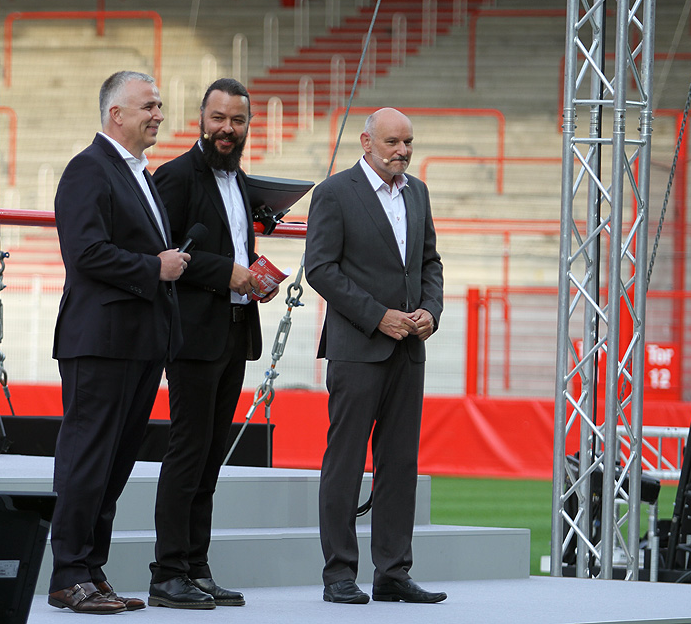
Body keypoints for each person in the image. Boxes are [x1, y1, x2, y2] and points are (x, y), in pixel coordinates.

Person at [48, 70, 190, 615]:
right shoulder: (89, 168)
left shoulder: (138, 174)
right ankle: (68, 574)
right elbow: (85, 252)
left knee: (115, 463)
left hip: (139, 341)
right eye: (149, 106)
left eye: (159, 105)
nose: (159, 114)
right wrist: (155, 267)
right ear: (116, 114)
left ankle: (90, 569)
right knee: (88, 458)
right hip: (100, 341)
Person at [305, 108, 445, 606]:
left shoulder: (418, 192)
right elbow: (320, 269)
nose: (402, 151)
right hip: (357, 350)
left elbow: (430, 262)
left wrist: (431, 310)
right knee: (345, 462)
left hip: (408, 350)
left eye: (408, 141)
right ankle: (339, 573)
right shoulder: (334, 193)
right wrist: (377, 316)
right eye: (392, 142)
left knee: (400, 463)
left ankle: (393, 572)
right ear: (366, 142)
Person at [147, 78, 279, 609]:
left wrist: (255, 279)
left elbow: (233, 248)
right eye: (219, 118)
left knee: (209, 459)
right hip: (193, 336)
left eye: (238, 120)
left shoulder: (240, 180)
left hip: (234, 330)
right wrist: (228, 272)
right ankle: (167, 573)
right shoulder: (175, 176)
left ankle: (195, 567)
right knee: (188, 452)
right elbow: (164, 252)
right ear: (201, 119)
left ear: (248, 125)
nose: (228, 129)